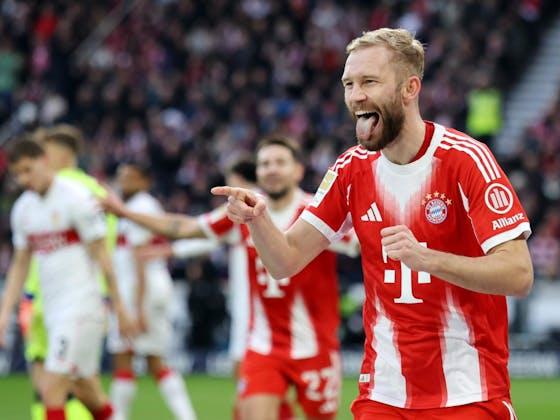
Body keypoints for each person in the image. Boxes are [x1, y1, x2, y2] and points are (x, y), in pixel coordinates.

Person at [212, 28, 534, 419]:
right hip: (383, 394)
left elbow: (519, 274)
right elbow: (285, 260)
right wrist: (259, 221)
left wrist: (428, 259)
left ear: (409, 88)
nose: (355, 96)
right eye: (349, 84)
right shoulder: (351, 168)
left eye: (369, 82)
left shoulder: (465, 160)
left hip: (469, 391)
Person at [102, 138, 359, 420]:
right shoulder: (244, 212)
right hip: (263, 346)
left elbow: (361, 242)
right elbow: (184, 227)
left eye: (280, 163)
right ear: (257, 172)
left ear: (297, 170)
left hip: (316, 346)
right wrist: (124, 212)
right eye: (265, 164)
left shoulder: (317, 212)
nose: (272, 169)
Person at [0, 138, 135, 420]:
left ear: (44, 161)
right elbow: (20, 266)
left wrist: (119, 306)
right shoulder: (24, 209)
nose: (24, 179)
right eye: (18, 174)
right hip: (52, 308)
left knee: (51, 387)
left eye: (28, 170)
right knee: (87, 391)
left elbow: (102, 254)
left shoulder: (75, 198)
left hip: (81, 306)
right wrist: (3, 316)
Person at [107, 162, 197, 420]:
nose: (124, 181)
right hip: (145, 289)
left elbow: (140, 258)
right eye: (121, 176)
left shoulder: (140, 207)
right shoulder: (138, 206)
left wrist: (136, 309)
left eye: (131, 177)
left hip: (140, 292)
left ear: (145, 181)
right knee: (152, 359)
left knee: (126, 358)